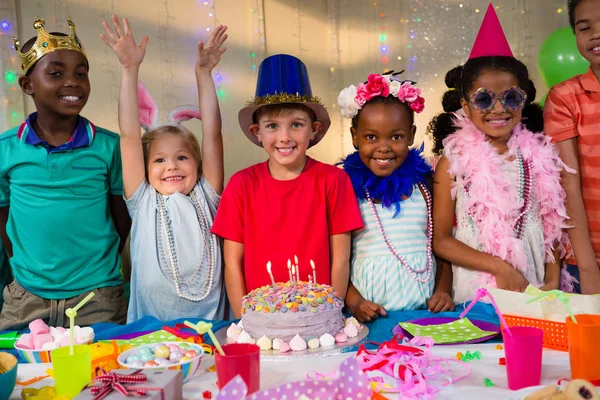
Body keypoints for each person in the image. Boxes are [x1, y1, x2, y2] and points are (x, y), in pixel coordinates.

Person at [429, 4, 571, 303]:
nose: (498, 108)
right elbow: (441, 241)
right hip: (478, 289)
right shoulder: (451, 163)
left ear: (524, 99)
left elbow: (552, 223)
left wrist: (554, 278)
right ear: (465, 106)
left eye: (511, 97)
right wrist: (500, 268)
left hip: (537, 287)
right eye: (483, 99)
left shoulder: (540, 155)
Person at [0, 16, 131, 330]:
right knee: (22, 373)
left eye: (81, 74)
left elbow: (121, 218)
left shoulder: (109, 147)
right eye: (56, 73)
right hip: (26, 296)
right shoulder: (6, 149)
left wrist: (97, 269)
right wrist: (25, 267)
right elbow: (4, 217)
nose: (73, 81)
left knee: (101, 373)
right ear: (27, 85)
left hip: (97, 296)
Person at [212, 54, 364, 317]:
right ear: (256, 132)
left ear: (313, 129)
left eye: (296, 125)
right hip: (259, 320)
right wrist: (243, 321)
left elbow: (340, 259)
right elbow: (232, 263)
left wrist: (329, 317)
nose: (284, 137)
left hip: (318, 317)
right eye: (272, 126)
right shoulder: (241, 185)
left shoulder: (334, 181)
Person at [101, 16, 228, 322]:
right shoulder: (143, 199)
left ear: (197, 163)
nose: (171, 165)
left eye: (182, 157)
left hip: (211, 328)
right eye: (159, 160)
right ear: (144, 169)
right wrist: (129, 69)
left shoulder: (207, 193)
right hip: (153, 331)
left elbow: (212, 133)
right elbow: (130, 135)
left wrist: (204, 73)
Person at [338, 72, 454, 322]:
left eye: (396, 136)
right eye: (371, 137)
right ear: (354, 137)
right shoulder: (345, 190)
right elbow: (336, 258)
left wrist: (443, 290)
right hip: (368, 317)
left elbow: (441, 248)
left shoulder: (424, 187)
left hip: (424, 315)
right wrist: (355, 301)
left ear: (411, 136)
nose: (384, 146)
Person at [543, 0, 600, 294]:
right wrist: (588, 267)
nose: (595, 34)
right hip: (589, 257)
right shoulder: (565, 97)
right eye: (584, 27)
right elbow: (568, 182)